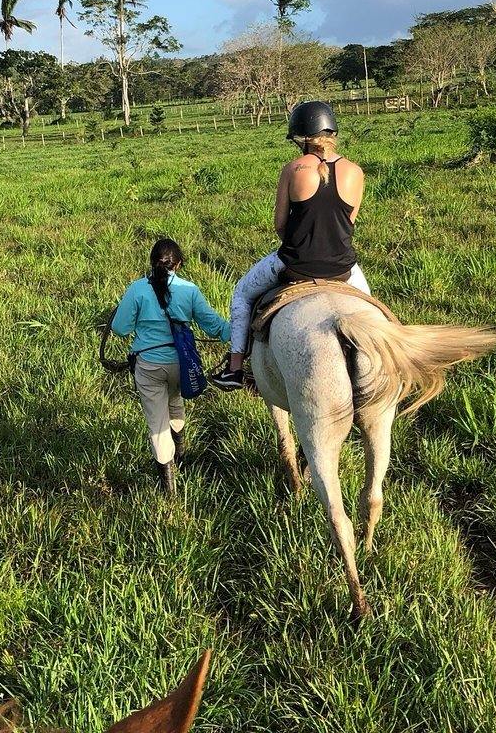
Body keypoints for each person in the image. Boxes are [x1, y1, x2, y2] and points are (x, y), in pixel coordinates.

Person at [213, 100, 371, 390]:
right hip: (343, 267)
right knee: (375, 308)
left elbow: (280, 225)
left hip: (294, 262)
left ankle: (235, 367)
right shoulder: (356, 171)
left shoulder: (293, 169)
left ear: (300, 139)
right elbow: (350, 221)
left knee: (242, 294)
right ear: (332, 133)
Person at [111, 237, 231, 494]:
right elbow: (214, 325)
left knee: (157, 424)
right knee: (175, 401)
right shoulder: (190, 290)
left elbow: (120, 329)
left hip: (149, 366)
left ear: (152, 262)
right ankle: (181, 455)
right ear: (179, 264)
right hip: (182, 364)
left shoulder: (137, 289)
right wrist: (239, 331)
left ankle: (169, 489)